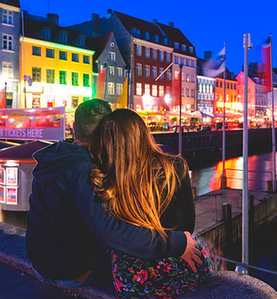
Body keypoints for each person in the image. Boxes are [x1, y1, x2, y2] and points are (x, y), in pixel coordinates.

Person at [26, 99, 201, 288]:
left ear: (73, 126)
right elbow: (114, 232)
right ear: (108, 131)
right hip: (70, 272)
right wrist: (178, 242)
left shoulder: (58, 156)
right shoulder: (86, 171)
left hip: (39, 260)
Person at [90, 109, 213, 297]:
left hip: (132, 278)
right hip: (176, 264)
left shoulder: (104, 179)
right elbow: (188, 224)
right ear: (144, 133)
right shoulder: (175, 167)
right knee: (206, 251)